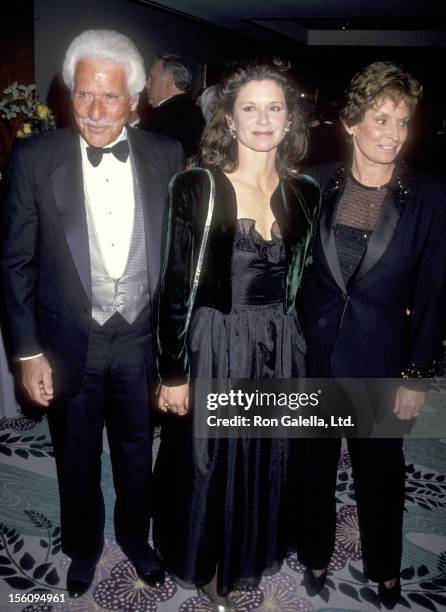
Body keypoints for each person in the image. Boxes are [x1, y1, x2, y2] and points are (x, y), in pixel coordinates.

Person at [1, 29, 184, 598]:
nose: (96, 111)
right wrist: (27, 351)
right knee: (75, 455)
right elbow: (15, 263)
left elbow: (180, 262)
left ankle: (135, 537)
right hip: (67, 339)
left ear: (134, 99)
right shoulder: (35, 157)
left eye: (110, 97)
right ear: (68, 95)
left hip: (139, 338)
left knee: (137, 451)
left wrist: (178, 356)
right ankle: (83, 547)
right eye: (84, 95)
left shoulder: (167, 155)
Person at [153, 60, 319, 609]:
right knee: (211, 458)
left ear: (290, 117)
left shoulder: (305, 192)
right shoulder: (197, 185)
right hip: (218, 340)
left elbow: (306, 280)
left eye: (276, 107)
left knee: (266, 454)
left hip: (280, 343)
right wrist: (173, 372)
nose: (264, 118)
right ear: (229, 117)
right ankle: (203, 558)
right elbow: (176, 286)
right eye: (250, 107)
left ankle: (246, 550)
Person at [299, 61, 446, 608]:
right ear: (351, 122)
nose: (392, 133)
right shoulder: (312, 184)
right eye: (380, 118)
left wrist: (417, 375)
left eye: (402, 121)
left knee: (381, 475)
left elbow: (435, 293)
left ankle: (385, 568)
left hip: (383, 360)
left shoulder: (429, 197)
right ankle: (313, 553)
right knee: (311, 468)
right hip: (314, 356)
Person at [143, 52, 205, 157]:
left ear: (169, 80)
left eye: (152, 78)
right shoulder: (200, 114)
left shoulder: (156, 119)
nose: (146, 84)